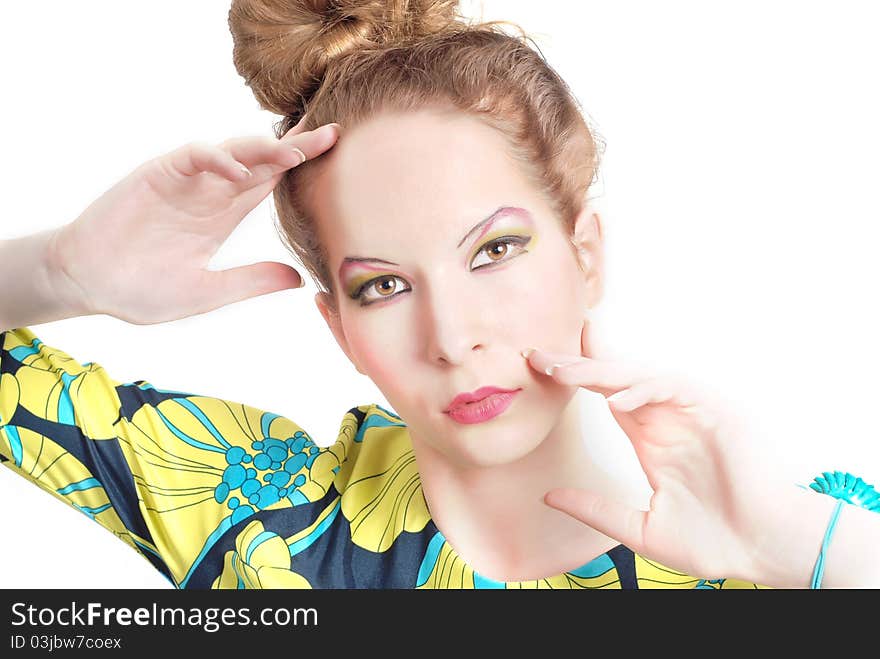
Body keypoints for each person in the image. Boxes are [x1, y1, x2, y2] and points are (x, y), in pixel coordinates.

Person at [2, 0, 879, 589]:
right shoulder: (258, 519)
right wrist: (60, 274)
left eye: (495, 249)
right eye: (382, 285)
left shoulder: (796, 543)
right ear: (338, 328)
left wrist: (798, 551)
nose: (452, 336)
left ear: (587, 256)